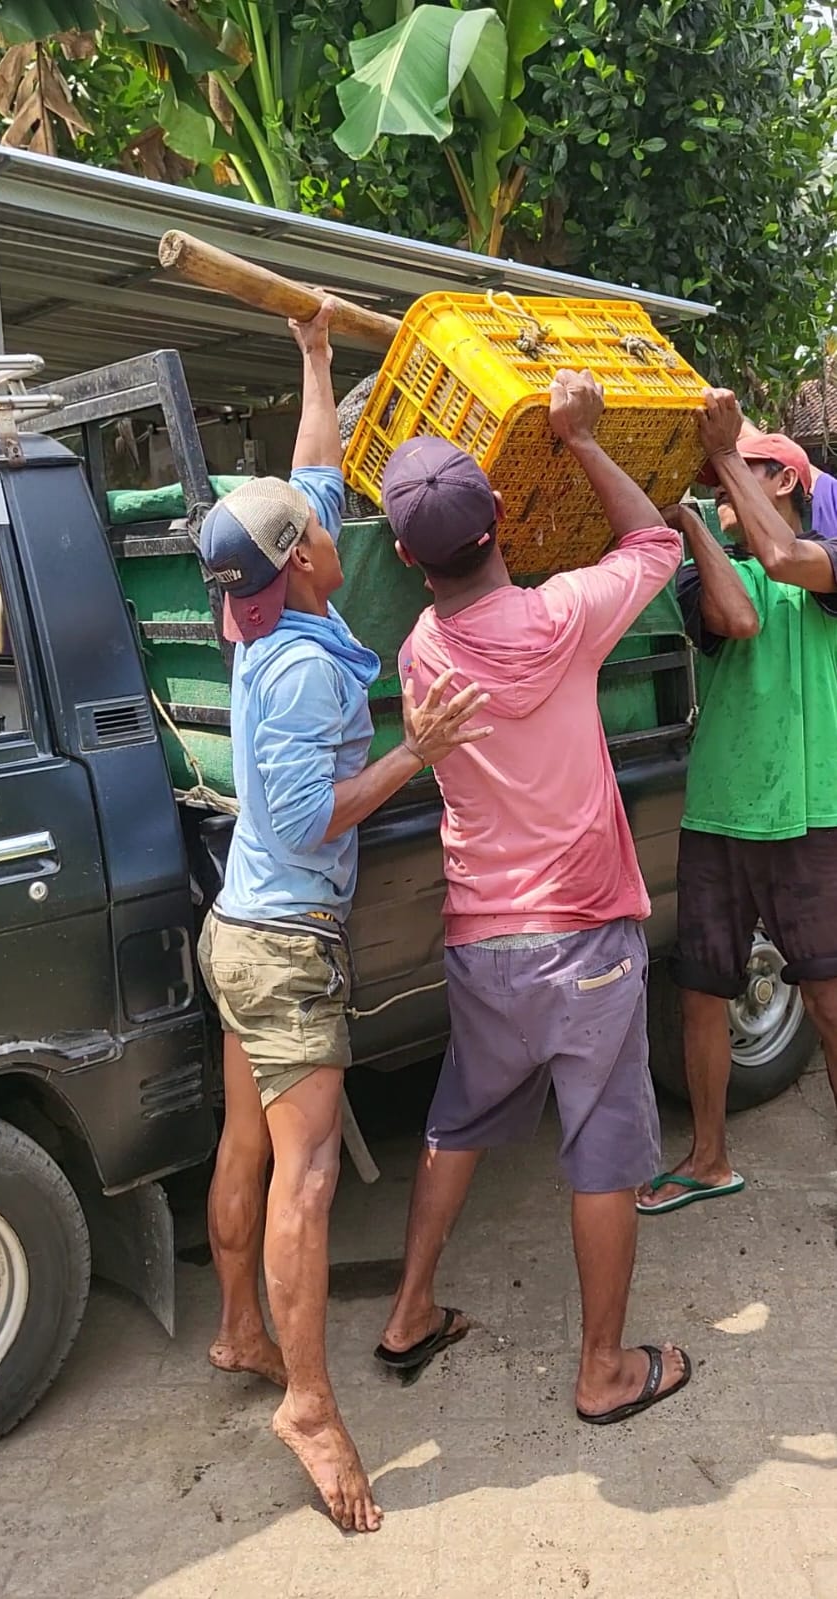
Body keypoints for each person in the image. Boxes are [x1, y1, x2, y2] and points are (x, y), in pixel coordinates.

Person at [197, 301, 491, 1533]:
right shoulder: (314, 667)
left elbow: (310, 476)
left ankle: (235, 1334)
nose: (326, 518)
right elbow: (313, 817)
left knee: (246, 1145)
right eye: (317, 529)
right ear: (308, 565)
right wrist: (413, 753)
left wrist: (316, 357)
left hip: (232, 935)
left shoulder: (253, 610)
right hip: (283, 947)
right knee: (306, 1176)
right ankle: (309, 1405)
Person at [375, 369, 692, 1425]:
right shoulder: (562, 620)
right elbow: (653, 545)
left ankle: (409, 1308)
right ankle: (602, 1371)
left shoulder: (418, 654)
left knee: (457, 1123)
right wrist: (581, 439)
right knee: (601, 1144)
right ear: (505, 512)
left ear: (408, 560)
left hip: (480, 940)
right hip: (583, 939)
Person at [637, 393, 837, 1215]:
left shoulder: (823, 555)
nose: (720, 484)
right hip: (719, 810)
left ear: (781, 478)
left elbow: (787, 561)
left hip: (811, 811)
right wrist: (689, 522)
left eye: (739, 467)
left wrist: (718, 459)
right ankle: (708, 1156)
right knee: (700, 991)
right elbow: (739, 617)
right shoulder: (701, 571)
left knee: (827, 998)